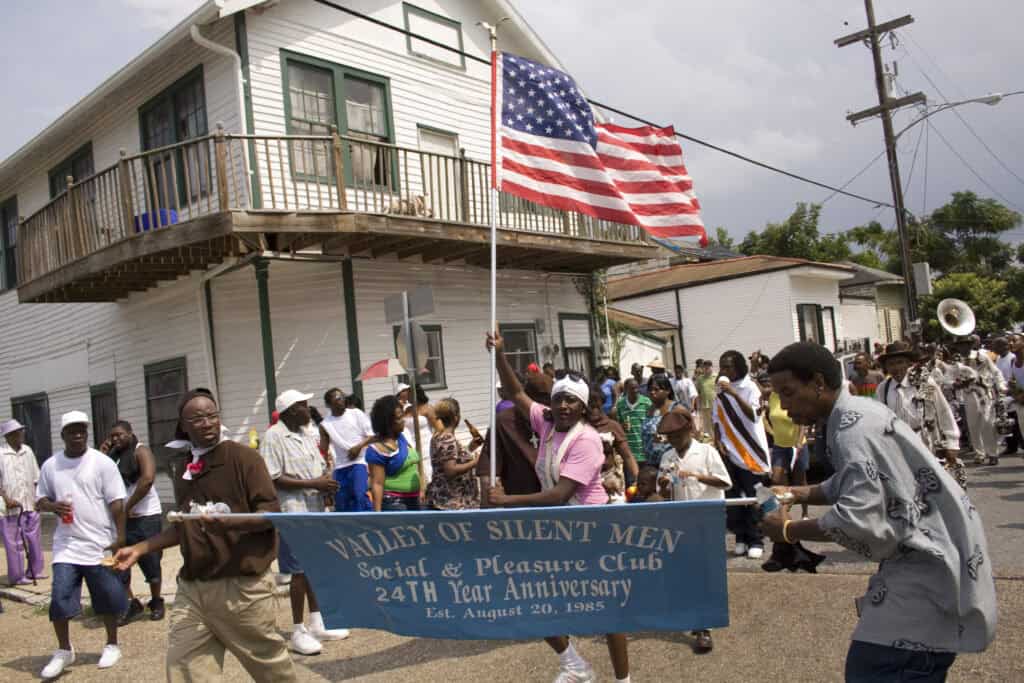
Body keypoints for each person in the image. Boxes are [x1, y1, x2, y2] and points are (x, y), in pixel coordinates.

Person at [764, 342, 996, 681]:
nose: (783, 406)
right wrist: (800, 492)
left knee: (879, 667)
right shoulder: (857, 412)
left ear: (817, 382)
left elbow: (861, 520)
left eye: (788, 392)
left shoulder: (851, 430)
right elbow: (858, 479)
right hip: (928, 563)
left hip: (926, 570)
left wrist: (787, 530)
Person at [114, 391, 297, 682]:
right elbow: (184, 525)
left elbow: (269, 514)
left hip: (241, 588)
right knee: (185, 667)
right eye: (197, 418)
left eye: (212, 415)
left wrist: (231, 522)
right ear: (183, 425)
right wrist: (139, 548)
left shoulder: (244, 459)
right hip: (193, 588)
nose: (207, 422)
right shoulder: (185, 467)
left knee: (270, 669)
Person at [486, 330, 631, 683]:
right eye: (559, 399)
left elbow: (559, 494)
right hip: (557, 528)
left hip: (591, 529)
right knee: (534, 600)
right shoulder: (546, 422)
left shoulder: (588, 439)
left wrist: (507, 501)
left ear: (583, 406)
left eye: (571, 400)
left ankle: (623, 680)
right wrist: (501, 355)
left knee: (607, 608)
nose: (563, 405)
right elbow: (516, 392)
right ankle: (575, 665)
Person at [36, 411, 128, 678]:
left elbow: (117, 502)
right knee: (60, 596)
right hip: (66, 544)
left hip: (99, 543)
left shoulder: (101, 463)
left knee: (107, 596)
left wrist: (120, 537)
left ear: (87, 432)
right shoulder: (51, 466)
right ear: (62, 434)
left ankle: (112, 644)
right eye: (72, 431)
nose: (78, 435)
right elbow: (40, 499)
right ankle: (64, 650)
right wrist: (53, 506)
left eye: (82, 430)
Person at [261, 390, 347, 655]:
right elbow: (273, 478)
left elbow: (319, 467)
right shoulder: (273, 437)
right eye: (302, 406)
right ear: (288, 411)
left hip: (315, 508)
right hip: (293, 511)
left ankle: (317, 621)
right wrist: (315, 483)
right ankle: (298, 630)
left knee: (315, 565)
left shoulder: (306, 433)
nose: (308, 410)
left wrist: (326, 484)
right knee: (298, 572)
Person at [654, 409, 730, 653]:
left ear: (688, 430)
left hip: (705, 520)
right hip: (680, 521)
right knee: (687, 571)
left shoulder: (707, 452)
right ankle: (694, 617)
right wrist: (664, 485)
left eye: (677, 435)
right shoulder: (667, 457)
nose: (674, 440)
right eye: (669, 437)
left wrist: (697, 476)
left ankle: (703, 626)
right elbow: (662, 491)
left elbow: (724, 481)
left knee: (705, 572)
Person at [875, 342, 965, 488]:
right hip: (899, 445)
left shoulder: (924, 383)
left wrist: (952, 442)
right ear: (886, 367)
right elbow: (879, 420)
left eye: (900, 362)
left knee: (934, 486)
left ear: (908, 363)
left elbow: (943, 411)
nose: (896, 368)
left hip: (925, 441)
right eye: (891, 364)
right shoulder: (883, 389)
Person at [713, 350, 771, 560]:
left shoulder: (749, 387)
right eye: (722, 367)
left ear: (738, 367)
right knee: (734, 498)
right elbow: (716, 419)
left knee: (755, 498)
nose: (724, 371)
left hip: (750, 452)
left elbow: (754, 415)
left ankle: (756, 539)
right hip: (729, 452)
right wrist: (718, 440)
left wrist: (734, 393)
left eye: (727, 367)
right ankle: (741, 537)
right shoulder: (719, 392)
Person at [106, 421, 165, 624]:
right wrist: (102, 453)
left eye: (120, 435)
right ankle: (132, 603)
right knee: (121, 563)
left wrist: (129, 506)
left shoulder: (141, 451)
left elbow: (147, 479)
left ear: (131, 434)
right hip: (122, 520)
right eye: (113, 436)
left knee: (151, 562)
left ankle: (156, 600)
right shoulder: (113, 458)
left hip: (146, 516)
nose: (116, 439)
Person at [476, 374, 547, 506]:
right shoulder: (502, 421)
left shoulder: (501, 420)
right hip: (536, 507)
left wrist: (487, 517)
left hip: (526, 508)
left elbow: (487, 481)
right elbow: (487, 476)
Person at [0, 418, 45, 586]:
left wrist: (38, 498)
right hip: (10, 507)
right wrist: (6, 498)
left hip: (30, 503)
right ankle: (17, 576)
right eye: (16, 433)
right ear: (8, 436)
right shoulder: (1, 453)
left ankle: (35, 570)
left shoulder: (27, 450)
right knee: (14, 543)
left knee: (34, 539)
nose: (20, 435)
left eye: (21, 432)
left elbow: (36, 477)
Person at [950, 336, 1005, 466]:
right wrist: (956, 384)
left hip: (985, 393)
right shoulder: (956, 361)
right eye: (960, 345)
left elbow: (995, 371)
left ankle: (992, 453)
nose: (963, 347)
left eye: (965, 344)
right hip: (968, 396)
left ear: (970, 345)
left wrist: (1001, 386)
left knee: (988, 423)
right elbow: (951, 379)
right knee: (973, 426)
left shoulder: (982, 356)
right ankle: (979, 453)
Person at [762, 374, 810, 517]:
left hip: (797, 446)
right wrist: (771, 432)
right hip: (779, 446)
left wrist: (799, 441)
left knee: (800, 481)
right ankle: (783, 513)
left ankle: (805, 513)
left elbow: (801, 422)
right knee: (777, 480)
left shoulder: (791, 397)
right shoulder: (771, 398)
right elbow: (765, 417)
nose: (769, 387)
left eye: (772, 384)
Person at [321, 388, 376, 512]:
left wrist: (358, 447)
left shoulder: (356, 413)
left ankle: (367, 523)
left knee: (359, 496)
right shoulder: (325, 424)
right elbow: (323, 452)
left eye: (343, 397)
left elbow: (373, 436)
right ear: (329, 404)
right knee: (341, 501)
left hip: (358, 463)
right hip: (340, 466)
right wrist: (325, 473)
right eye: (338, 398)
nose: (342, 400)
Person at [366, 395, 423, 512]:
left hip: (414, 500)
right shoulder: (378, 449)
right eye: (399, 418)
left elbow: (415, 467)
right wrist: (377, 514)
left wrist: (422, 489)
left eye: (402, 416)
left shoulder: (403, 437)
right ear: (388, 422)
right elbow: (377, 483)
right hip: (395, 503)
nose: (403, 421)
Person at [425, 398, 482, 510]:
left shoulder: (438, 435)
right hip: (451, 501)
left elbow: (450, 457)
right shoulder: (447, 438)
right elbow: (450, 470)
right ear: (456, 418)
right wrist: (475, 462)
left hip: (449, 499)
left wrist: (470, 448)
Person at [588, 390, 639, 485]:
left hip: (611, 479)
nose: (594, 410)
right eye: (590, 407)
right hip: (586, 481)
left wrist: (637, 479)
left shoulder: (612, 426)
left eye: (597, 407)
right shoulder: (579, 426)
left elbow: (627, 456)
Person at [641, 374, 682, 468]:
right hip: (651, 463)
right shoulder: (649, 410)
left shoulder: (676, 409)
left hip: (671, 463)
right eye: (650, 389)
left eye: (656, 389)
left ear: (667, 391)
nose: (652, 392)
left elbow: (690, 434)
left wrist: (667, 439)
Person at [614, 378, 651, 469]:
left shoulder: (646, 402)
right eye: (632, 388)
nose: (635, 391)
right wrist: (622, 426)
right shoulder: (620, 405)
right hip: (629, 453)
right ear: (626, 390)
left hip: (645, 451)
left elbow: (653, 424)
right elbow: (617, 426)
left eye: (637, 388)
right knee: (632, 482)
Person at [404, 385, 437, 485]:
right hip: (411, 444)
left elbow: (438, 428)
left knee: (427, 473)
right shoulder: (407, 409)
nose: (406, 396)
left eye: (409, 394)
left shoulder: (427, 408)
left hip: (425, 444)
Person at [695, 360, 717, 439]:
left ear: (712, 367)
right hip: (704, 405)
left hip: (715, 405)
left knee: (716, 423)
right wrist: (697, 406)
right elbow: (697, 392)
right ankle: (713, 440)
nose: (707, 368)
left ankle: (719, 439)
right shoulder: (700, 379)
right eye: (705, 366)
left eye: (709, 366)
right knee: (707, 425)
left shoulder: (716, 377)